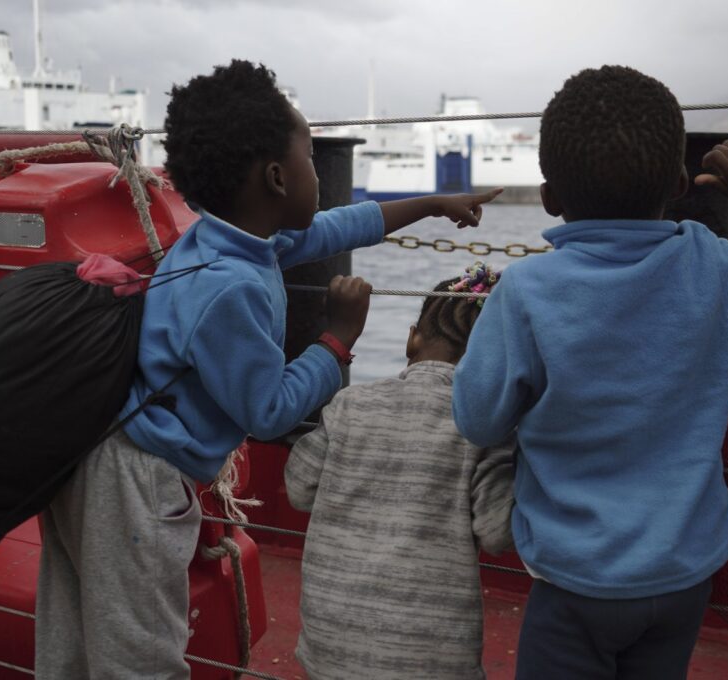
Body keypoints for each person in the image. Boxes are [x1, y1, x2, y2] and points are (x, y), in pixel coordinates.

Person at [33, 60, 502, 680]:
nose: (318, 176)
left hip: (94, 449)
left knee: (70, 641)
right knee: (139, 654)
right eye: (312, 161)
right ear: (278, 178)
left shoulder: (225, 240)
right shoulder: (233, 288)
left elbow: (334, 223)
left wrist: (430, 204)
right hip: (135, 482)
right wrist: (337, 340)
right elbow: (269, 410)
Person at [451, 66, 728, 680]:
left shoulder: (528, 290)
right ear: (677, 183)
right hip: (684, 572)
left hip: (574, 577)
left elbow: (478, 419)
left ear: (550, 198)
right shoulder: (718, 265)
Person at [284, 263, 516, 680]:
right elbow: (498, 533)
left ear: (413, 338)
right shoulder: (486, 432)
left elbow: (299, 489)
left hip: (329, 649)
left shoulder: (351, 405)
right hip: (432, 664)